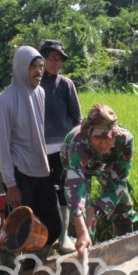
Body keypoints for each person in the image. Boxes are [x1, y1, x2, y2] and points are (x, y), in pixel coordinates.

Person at [0, 46, 62, 250]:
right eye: (34, 66)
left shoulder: (40, 93)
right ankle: (16, 263)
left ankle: (35, 258)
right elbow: (2, 145)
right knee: (20, 229)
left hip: (40, 167)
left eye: (41, 66)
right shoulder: (5, 101)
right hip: (19, 172)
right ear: (21, 68)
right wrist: (11, 184)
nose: (39, 71)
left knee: (53, 224)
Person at [61, 103, 137, 257]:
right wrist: (82, 228)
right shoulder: (78, 142)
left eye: (109, 138)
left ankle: (124, 253)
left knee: (123, 205)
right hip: (79, 165)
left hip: (106, 164)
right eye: (97, 138)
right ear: (89, 133)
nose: (103, 144)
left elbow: (119, 180)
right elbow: (75, 187)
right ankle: (89, 255)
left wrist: (96, 208)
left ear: (115, 133)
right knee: (85, 218)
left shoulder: (124, 140)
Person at [39, 39, 82, 254]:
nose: (56, 63)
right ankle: (45, 236)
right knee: (44, 192)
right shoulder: (33, 84)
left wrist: (76, 145)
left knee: (64, 191)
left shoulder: (66, 84)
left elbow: (77, 118)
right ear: (41, 59)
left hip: (63, 149)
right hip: (38, 149)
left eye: (59, 60)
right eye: (52, 58)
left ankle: (64, 235)